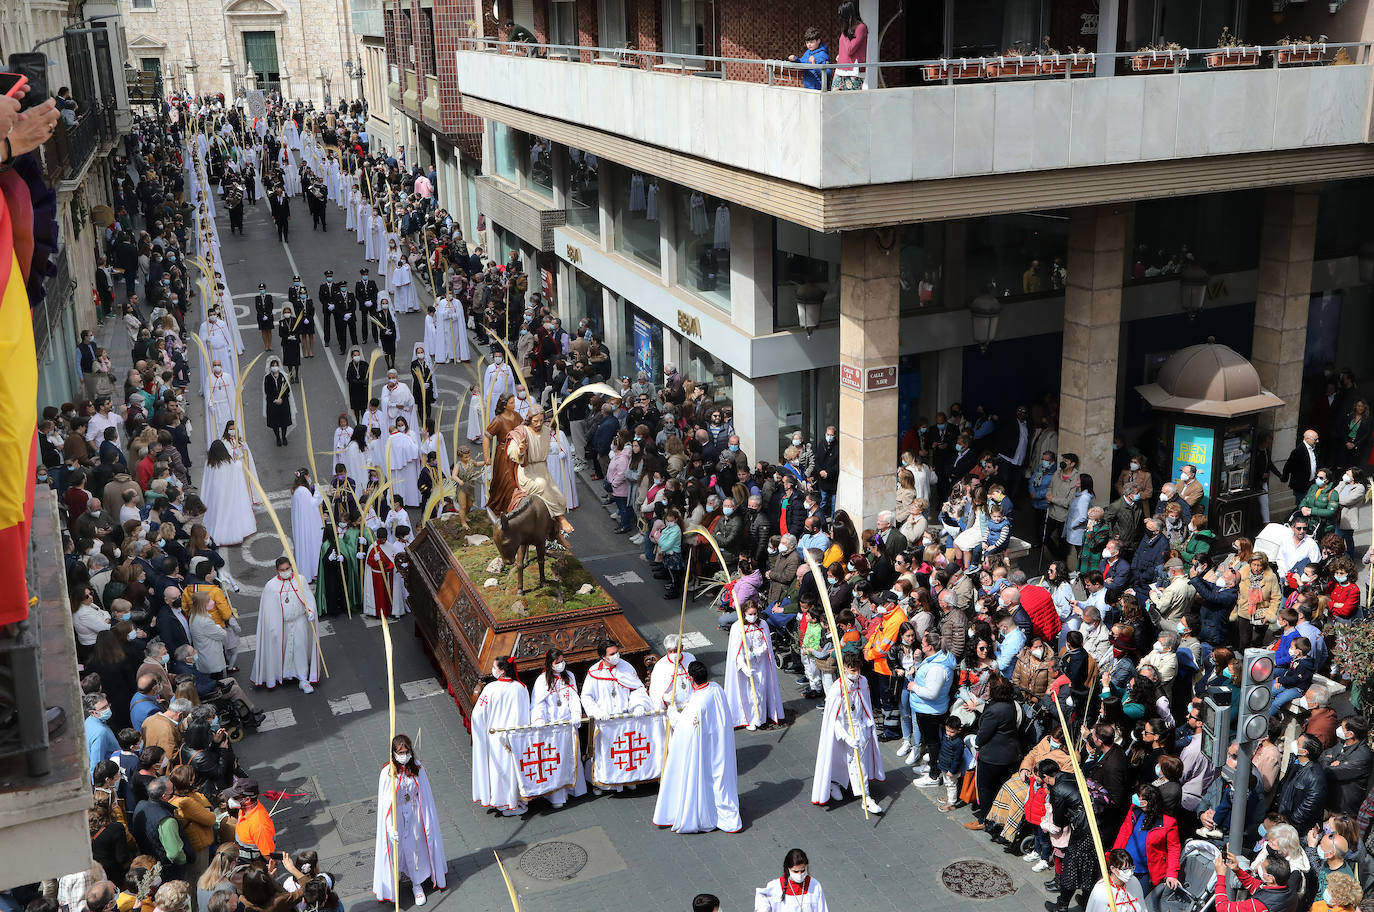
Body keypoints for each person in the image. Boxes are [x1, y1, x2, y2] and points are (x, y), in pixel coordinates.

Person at [652, 661, 741, 833]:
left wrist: (672, 713)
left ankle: (705, 814)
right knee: (718, 781)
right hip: (718, 744)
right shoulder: (716, 688)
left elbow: (683, 728)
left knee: (704, 780)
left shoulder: (697, 703)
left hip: (705, 748)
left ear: (690, 678)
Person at [372, 733, 446, 905]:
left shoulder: (417, 768)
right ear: (394, 754)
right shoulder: (387, 773)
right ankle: (393, 880)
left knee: (414, 849)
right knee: (395, 850)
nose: (403, 756)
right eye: (400, 753)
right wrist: (390, 827)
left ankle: (416, 883)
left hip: (414, 815)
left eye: (406, 752)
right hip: (396, 816)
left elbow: (424, 794)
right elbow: (385, 803)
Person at [810, 655, 884, 814]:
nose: (855, 674)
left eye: (857, 670)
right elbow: (833, 719)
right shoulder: (837, 689)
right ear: (844, 668)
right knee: (838, 758)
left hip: (860, 728)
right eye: (852, 670)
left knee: (859, 763)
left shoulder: (863, 681)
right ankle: (834, 782)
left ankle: (866, 796)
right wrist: (846, 737)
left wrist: (867, 724)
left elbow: (865, 704)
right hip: (843, 730)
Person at [251, 556, 321, 693]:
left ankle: (303, 679)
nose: (285, 571)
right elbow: (268, 610)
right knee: (279, 649)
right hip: (280, 624)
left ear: (291, 567)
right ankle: (279, 674)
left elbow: (308, 598)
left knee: (300, 649)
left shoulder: (300, 580)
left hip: (299, 620)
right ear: (277, 570)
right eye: (282, 570)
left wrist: (311, 611)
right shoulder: (271, 586)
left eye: (287, 569)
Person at [470, 656, 530, 817]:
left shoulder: (491, 688)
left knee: (498, 771)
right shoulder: (521, 688)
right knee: (513, 770)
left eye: (495, 667)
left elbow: (477, 714)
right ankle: (514, 801)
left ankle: (501, 802)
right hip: (516, 737)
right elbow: (526, 713)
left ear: (502, 671)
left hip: (495, 736)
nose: (493, 670)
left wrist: (481, 730)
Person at [507, 405, 575, 547]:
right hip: (527, 472)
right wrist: (520, 450)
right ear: (529, 420)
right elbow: (511, 450)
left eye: (541, 421)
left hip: (543, 469)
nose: (538, 424)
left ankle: (556, 534)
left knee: (560, 497)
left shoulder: (546, 430)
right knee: (541, 485)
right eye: (535, 421)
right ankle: (560, 518)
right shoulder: (521, 433)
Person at [529, 649, 586, 808]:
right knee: (556, 761)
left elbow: (574, 698)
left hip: (568, 725)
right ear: (550, 664)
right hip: (552, 727)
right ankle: (557, 797)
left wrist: (576, 714)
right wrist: (539, 720)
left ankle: (574, 790)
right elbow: (538, 704)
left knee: (572, 756)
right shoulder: (542, 680)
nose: (561, 664)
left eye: (562, 661)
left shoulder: (569, 676)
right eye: (557, 662)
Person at [723, 600, 785, 731]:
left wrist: (756, 653)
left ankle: (759, 718)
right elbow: (735, 651)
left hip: (761, 664)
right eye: (750, 614)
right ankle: (748, 718)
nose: (753, 616)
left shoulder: (763, 624)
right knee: (747, 693)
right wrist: (744, 667)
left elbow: (766, 644)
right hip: (744, 667)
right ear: (744, 613)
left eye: (755, 613)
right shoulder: (737, 627)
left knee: (760, 690)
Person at [200, 440, 256, 545]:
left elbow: (206, 480)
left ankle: (217, 530)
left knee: (217, 512)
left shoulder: (209, 463)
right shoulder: (230, 463)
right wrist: (239, 455)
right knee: (229, 512)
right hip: (229, 493)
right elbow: (239, 466)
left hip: (215, 494)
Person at [1214, 847, 1293, 912]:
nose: (1259, 868)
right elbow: (1254, 885)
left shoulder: (1259, 904)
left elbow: (1222, 908)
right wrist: (1237, 870)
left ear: (1271, 878)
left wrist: (1220, 876)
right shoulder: (1286, 889)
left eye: (1262, 868)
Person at [754, 848, 829, 911]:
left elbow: (822, 909)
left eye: (803, 870)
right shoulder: (775, 886)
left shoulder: (814, 885)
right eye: (795, 871)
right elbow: (762, 896)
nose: (800, 874)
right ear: (788, 869)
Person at [648, 633, 695, 714]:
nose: (674, 653)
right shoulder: (660, 665)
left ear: (682, 648)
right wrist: (665, 697)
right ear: (666, 650)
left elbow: (697, 679)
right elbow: (655, 691)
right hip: (673, 709)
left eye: (676, 650)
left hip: (691, 706)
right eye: (670, 651)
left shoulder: (690, 658)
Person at [290, 470, 325, 582]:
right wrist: (318, 493)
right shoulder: (303, 491)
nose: (310, 477)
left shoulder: (296, 491)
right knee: (312, 547)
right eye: (308, 475)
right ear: (305, 477)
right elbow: (312, 505)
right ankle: (313, 572)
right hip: (308, 527)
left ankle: (307, 572)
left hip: (302, 525)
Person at [263, 358, 292, 446]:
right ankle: (277, 438)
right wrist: (274, 400)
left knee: (284, 422)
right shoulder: (267, 378)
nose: (275, 367)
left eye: (276, 365)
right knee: (275, 422)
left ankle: (283, 436)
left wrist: (281, 399)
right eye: (273, 365)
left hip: (283, 403)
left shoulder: (283, 376)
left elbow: (287, 390)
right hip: (273, 404)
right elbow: (267, 391)